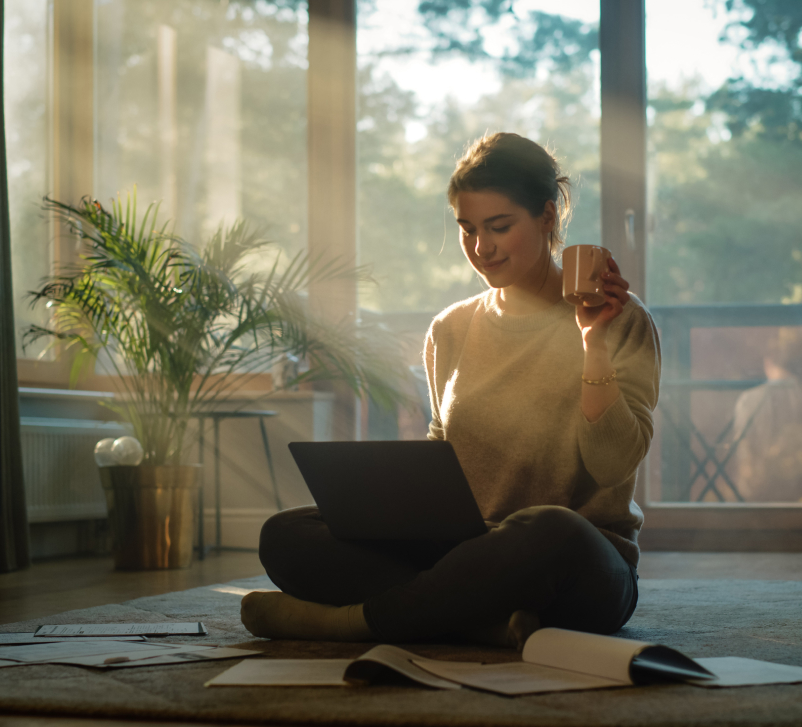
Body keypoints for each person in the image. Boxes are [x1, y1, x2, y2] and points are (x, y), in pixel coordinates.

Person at [241, 132, 661, 648]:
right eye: (467, 230)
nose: (480, 248)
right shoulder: (451, 329)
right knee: (286, 535)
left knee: (551, 530)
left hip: (577, 564)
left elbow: (612, 465)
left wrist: (592, 344)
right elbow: (443, 458)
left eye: (499, 227)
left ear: (548, 217)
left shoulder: (622, 321)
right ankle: (480, 619)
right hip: (462, 549)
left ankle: (355, 623)